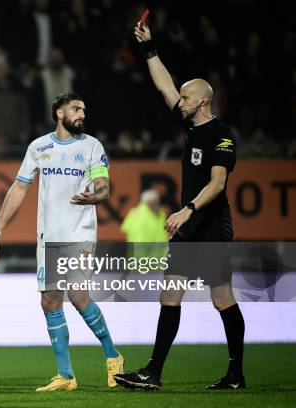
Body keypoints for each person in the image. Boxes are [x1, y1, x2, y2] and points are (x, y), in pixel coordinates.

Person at [113, 24, 245, 391]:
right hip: (189, 229)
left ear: (203, 101)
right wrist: (149, 48)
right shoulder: (189, 127)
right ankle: (153, 372)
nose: (179, 102)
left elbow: (218, 183)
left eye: (186, 98)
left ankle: (236, 373)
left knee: (222, 299)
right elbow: (164, 84)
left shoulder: (222, 135)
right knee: (169, 295)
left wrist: (187, 209)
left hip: (212, 226)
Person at [0, 91, 124, 391]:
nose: (82, 114)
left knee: (78, 296)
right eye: (76, 109)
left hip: (79, 234)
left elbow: (104, 188)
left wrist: (93, 197)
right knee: (50, 301)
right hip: (49, 237)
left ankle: (112, 356)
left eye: (84, 110)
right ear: (59, 113)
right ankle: (66, 375)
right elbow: (18, 187)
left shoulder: (92, 146)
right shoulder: (39, 147)